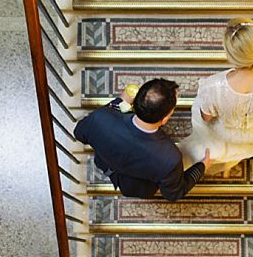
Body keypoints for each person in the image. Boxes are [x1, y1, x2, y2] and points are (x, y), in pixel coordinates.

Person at [180, 18, 253, 176]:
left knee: (207, 129)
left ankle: (216, 159)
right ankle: (231, 160)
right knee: (237, 150)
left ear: (231, 55)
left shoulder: (213, 87)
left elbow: (206, 118)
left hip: (223, 133)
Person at [74, 78, 212, 201]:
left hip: (106, 163)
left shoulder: (101, 118)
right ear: (165, 119)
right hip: (138, 187)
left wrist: (119, 102)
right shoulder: (170, 158)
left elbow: (79, 133)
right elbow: (173, 194)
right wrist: (202, 167)